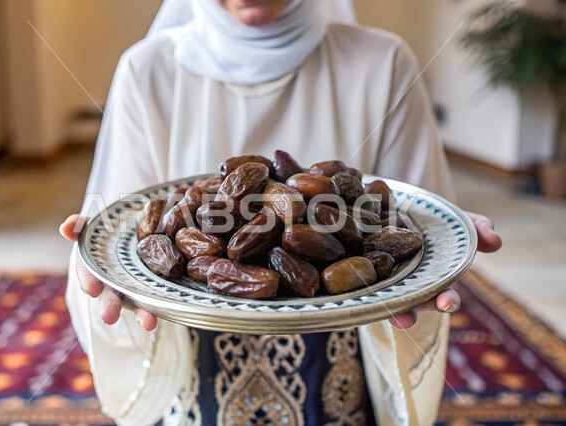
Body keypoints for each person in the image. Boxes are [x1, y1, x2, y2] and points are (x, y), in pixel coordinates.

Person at [59, 0, 503, 424]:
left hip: (341, 346)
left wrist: (436, 250)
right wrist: (107, 268)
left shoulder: (385, 62)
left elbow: (408, 216)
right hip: (195, 348)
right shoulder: (146, 69)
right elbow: (129, 225)